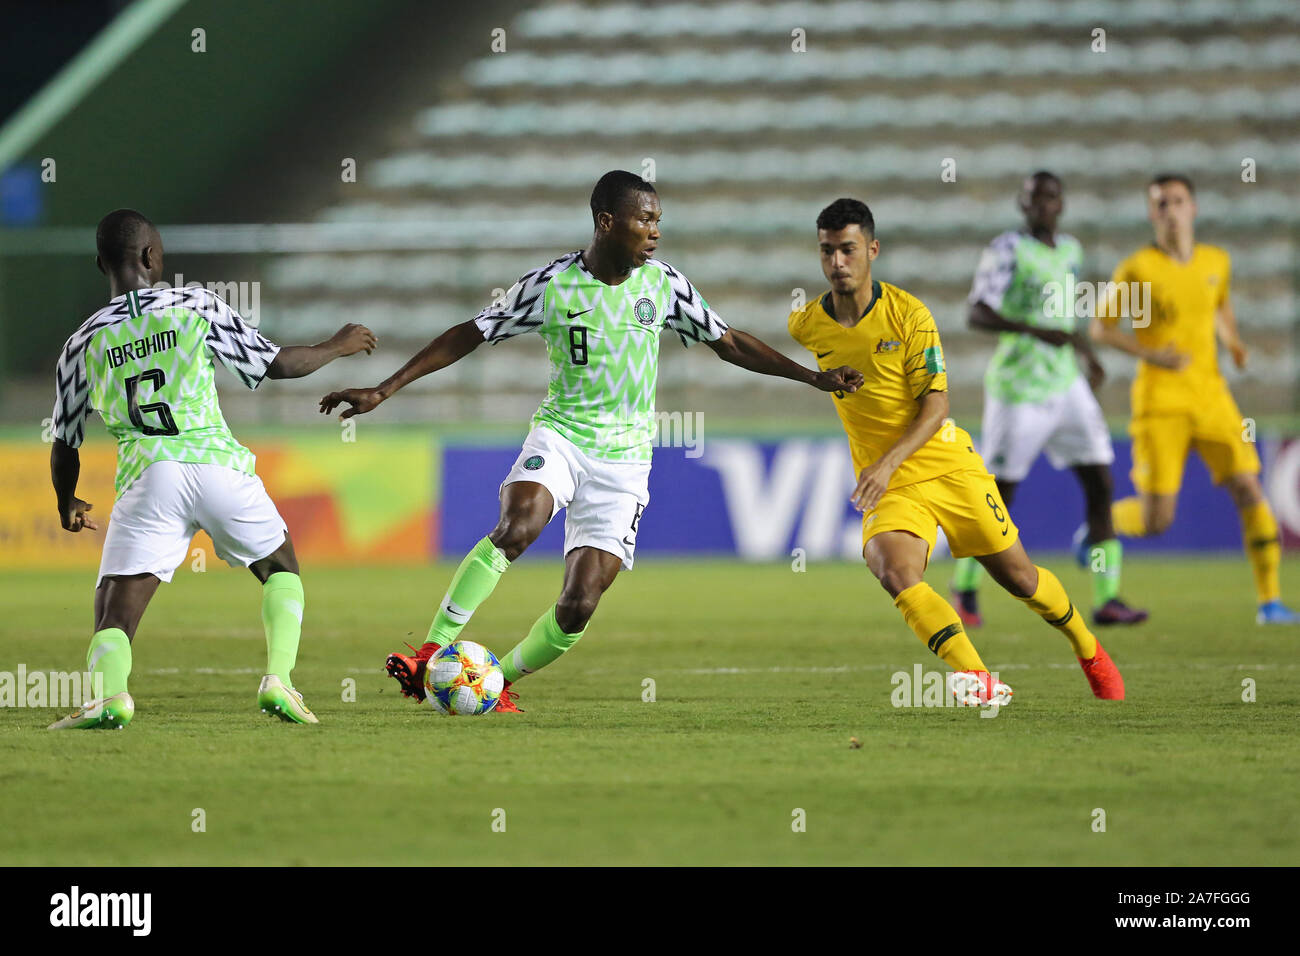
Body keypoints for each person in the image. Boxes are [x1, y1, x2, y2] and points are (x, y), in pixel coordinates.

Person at [320, 171, 863, 712]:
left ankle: (495, 683)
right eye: (644, 219)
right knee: (519, 525)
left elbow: (731, 344)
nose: (655, 231)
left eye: (658, 220)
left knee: (579, 602)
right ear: (607, 222)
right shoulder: (551, 285)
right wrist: (386, 388)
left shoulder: (665, 284)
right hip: (561, 435)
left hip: (625, 460)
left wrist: (813, 377)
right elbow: (472, 331)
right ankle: (431, 652)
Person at [48, 208, 376, 729]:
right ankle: (279, 680)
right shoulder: (193, 304)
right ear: (151, 256)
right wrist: (337, 345)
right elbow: (275, 365)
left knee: (114, 611)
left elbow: (65, 443)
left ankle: (110, 698)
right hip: (218, 464)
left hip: (150, 474)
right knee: (280, 569)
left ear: (100, 263)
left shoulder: (80, 344)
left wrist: (68, 501)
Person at [789, 198, 1125, 704]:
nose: (837, 262)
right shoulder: (808, 324)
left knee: (1021, 580)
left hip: (946, 466)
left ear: (872, 250)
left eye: (848, 250)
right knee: (894, 571)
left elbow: (937, 405)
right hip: (893, 484)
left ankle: (1087, 647)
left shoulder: (910, 315)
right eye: (827, 251)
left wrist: (886, 462)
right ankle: (978, 677)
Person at [1092, 174, 1297, 625]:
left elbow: (1219, 306)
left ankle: (1270, 602)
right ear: (1152, 214)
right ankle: (1098, 525)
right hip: (1159, 401)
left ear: (1194, 208)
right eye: (1161, 203)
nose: (1170, 210)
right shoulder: (1135, 269)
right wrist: (1151, 354)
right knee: (1157, 520)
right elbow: (1100, 327)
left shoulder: (1216, 261)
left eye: (1177, 201)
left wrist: (1235, 341)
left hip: (1212, 397)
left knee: (1249, 486)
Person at [952, 171, 1146, 628]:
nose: (1043, 204)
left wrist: (1085, 354)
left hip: (1066, 385)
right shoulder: (1008, 250)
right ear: (1023, 204)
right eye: (1034, 197)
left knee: (1101, 485)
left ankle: (1107, 597)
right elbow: (976, 311)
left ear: (1061, 204)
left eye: (1051, 197)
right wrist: (1035, 331)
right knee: (999, 496)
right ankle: (964, 589)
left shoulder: (1072, 251)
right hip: (1019, 389)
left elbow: (1063, 316)